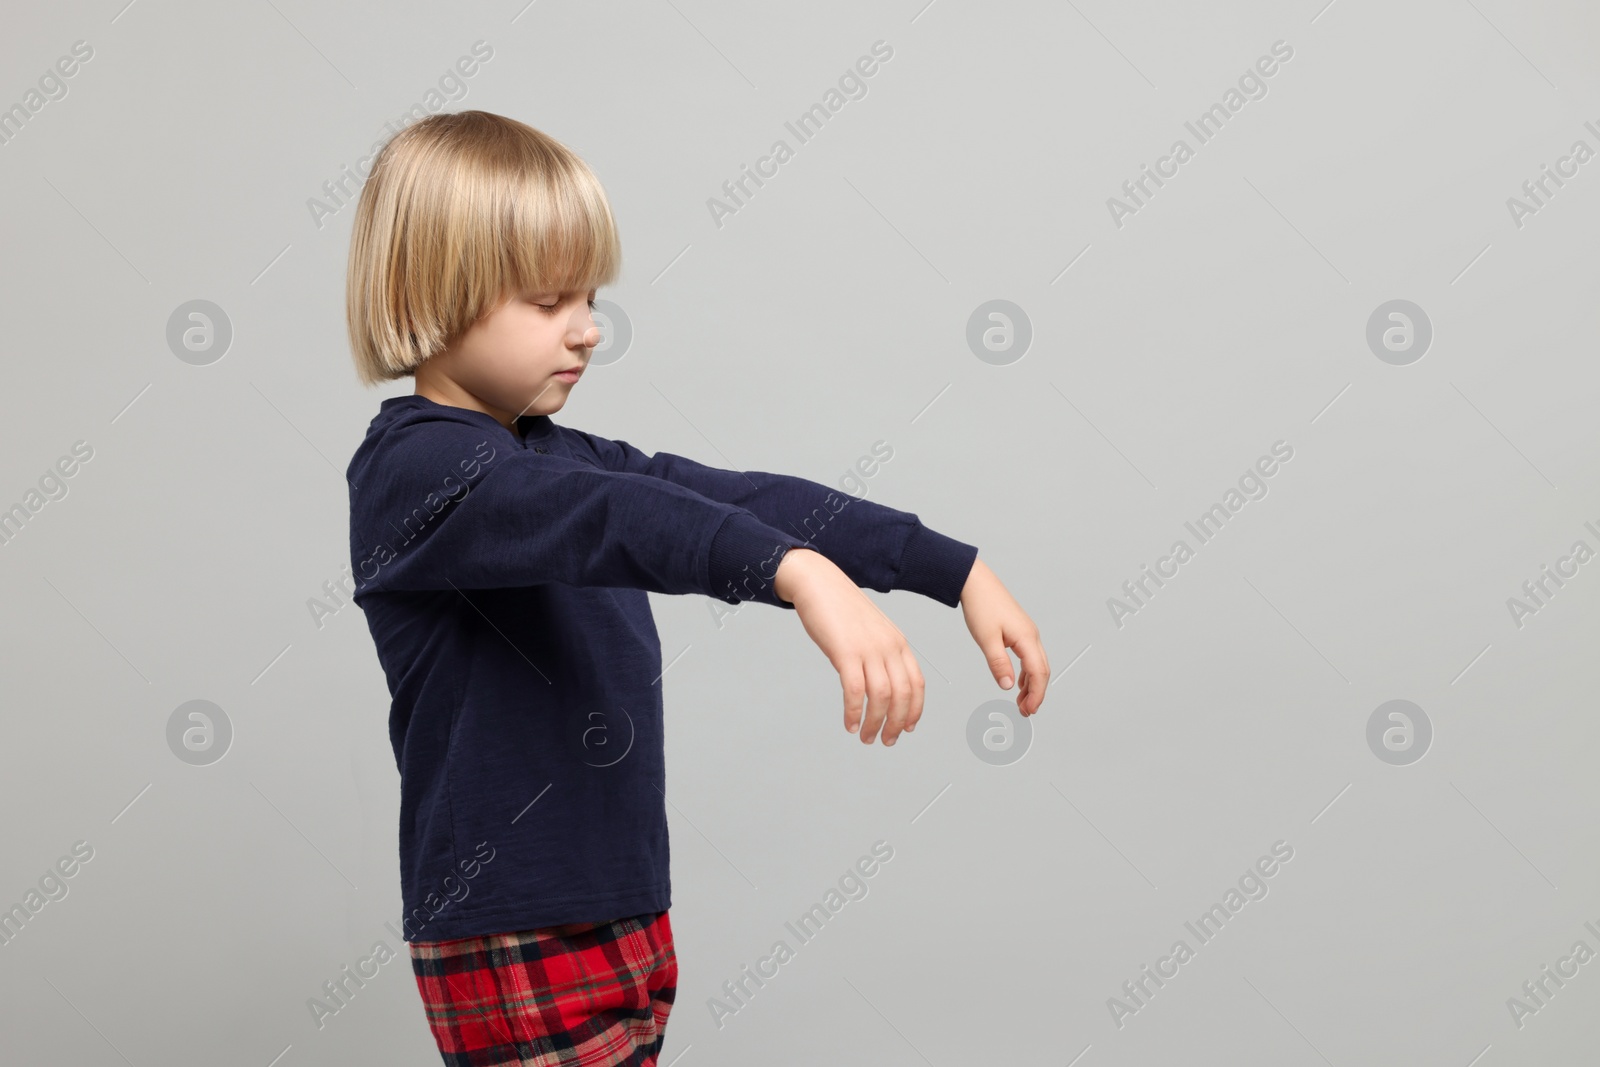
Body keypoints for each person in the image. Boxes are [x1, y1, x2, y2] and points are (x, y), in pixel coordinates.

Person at [343, 109, 1050, 1067]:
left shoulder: (565, 456)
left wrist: (949, 566)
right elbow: (619, 521)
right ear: (435, 294)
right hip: (516, 925)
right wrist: (800, 578)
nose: (588, 329)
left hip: (621, 905)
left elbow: (735, 497)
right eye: (549, 300)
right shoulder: (419, 474)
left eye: (589, 296)